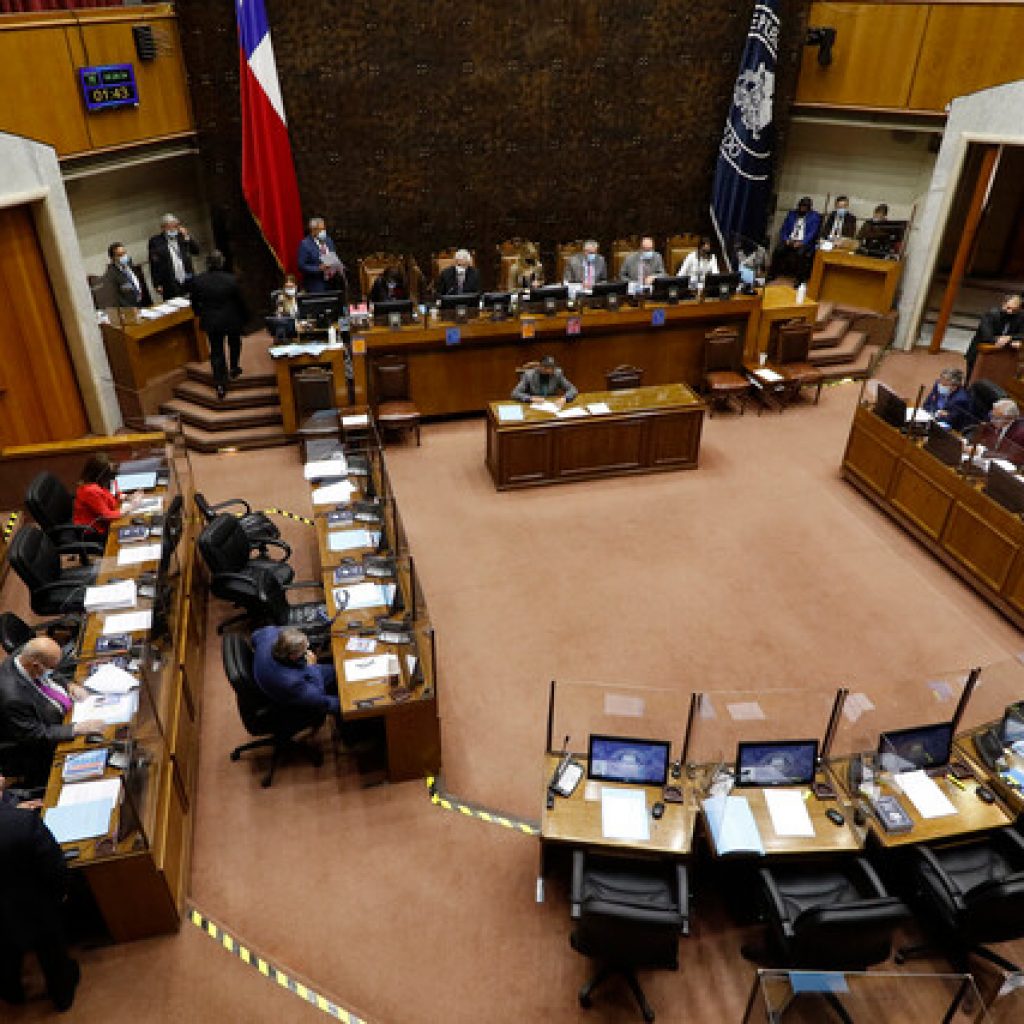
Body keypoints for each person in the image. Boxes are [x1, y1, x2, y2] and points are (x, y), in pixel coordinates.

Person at [0, 792, 80, 1012]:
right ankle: (62, 996)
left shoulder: (19, 820)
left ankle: (12, 994)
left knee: (6, 954)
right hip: (36, 907)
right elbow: (53, 865)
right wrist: (61, 891)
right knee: (51, 952)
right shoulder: (25, 823)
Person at [0, 639, 103, 792]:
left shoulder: (25, 654)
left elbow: (53, 674)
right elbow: (35, 733)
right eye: (51, 667)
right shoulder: (12, 697)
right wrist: (75, 729)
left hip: (67, 712)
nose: (53, 670)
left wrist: (69, 685)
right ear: (36, 666)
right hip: (41, 747)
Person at [189, 250, 249, 400]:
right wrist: (245, 317)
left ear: (207, 263)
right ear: (221, 262)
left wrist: (200, 314)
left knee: (216, 351)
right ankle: (234, 368)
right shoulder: (231, 279)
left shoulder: (198, 280)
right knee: (234, 343)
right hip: (231, 319)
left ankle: (220, 384)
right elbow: (240, 301)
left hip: (211, 320)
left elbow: (194, 302)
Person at [251, 627, 339, 716]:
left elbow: (254, 636)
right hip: (289, 693)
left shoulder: (269, 634)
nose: (308, 651)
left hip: (264, 671)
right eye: (304, 650)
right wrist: (313, 667)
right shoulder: (292, 682)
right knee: (340, 703)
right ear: (293, 656)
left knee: (337, 671)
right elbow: (320, 696)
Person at [72, 453, 143, 537]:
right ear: (99, 474)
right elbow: (107, 515)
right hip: (94, 531)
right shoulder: (90, 491)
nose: (113, 476)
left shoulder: (103, 482)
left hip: (107, 522)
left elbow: (114, 494)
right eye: (110, 473)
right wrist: (131, 506)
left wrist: (128, 497)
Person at [965, 293, 1024, 383]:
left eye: (1014, 310)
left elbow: (1022, 334)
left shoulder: (1020, 317)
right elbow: (987, 337)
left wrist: (1010, 337)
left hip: (1001, 356)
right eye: (1008, 308)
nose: (1010, 312)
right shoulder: (990, 314)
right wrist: (1009, 342)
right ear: (1003, 304)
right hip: (979, 353)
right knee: (971, 380)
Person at [147, 213, 200, 300]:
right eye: (170, 226)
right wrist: (157, 284)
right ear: (163, 228)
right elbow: (154, 264)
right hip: (169, 280)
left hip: (187, 277)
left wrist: (187, 236)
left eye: (176, 226)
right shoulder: (155, 241)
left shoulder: (182, 237)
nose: (174, 229)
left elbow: (196, 251)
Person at [770, 197, 821, 284]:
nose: (802, 209)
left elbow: (812, 233)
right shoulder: (791, 214)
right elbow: (784, 229)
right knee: (778, 250)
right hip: (790, 240)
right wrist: (786, 239)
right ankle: (772, 274)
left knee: (801, 254)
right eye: (801, 206)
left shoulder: (815, 216)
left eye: (805, 207)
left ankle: (799, 279)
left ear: (809, 208)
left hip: (804, 242)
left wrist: (802, 242)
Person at [94, 242, 152, 309]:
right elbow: (116, 297)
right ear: (112, 258)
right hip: (129, 309)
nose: (124, 256)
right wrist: (130, 310)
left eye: (124, 253)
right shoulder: (111, 274)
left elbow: (136, 283)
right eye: (120, 255)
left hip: (142, 303)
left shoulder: (130, 265)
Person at [511, 355, 578, 407]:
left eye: (551, 369)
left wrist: (564, 399)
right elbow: (515, 393)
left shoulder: (557, 374)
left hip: (552, 405)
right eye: (545, 368)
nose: (549, 371)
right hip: (533, 407)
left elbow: (573, 389)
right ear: (539, 366)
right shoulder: (529, 375)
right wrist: (530, 398)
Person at [297, 217, 342, 293]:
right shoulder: (305, 244)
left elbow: (333, 255)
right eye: (321, 229)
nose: (324, 231)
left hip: (332, 283)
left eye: (324, 228)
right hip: (316, 285)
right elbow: (301, 266)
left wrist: (337, 265)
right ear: (313, 230)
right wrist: (318, 268)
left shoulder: (328, 240)